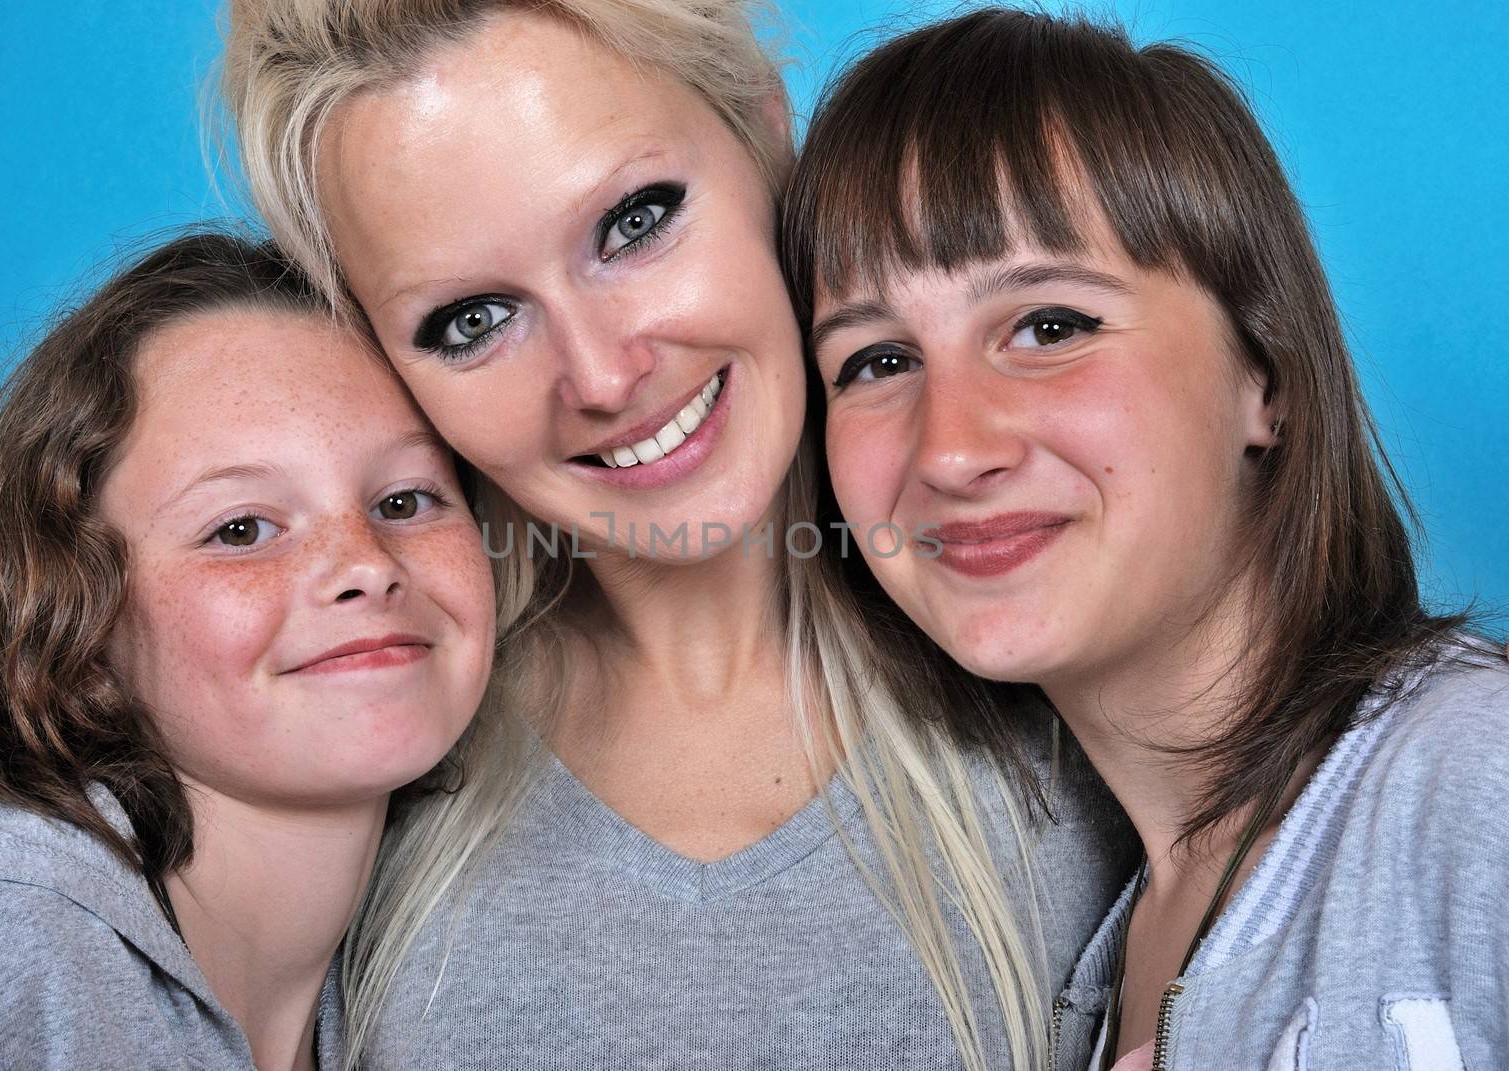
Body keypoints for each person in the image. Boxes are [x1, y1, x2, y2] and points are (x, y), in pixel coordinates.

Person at [222, 3, 1135, 1068]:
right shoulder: (336, 759)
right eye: (472, 320)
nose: (604, 376)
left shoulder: (1085, 661)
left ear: (762, 131)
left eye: (635, 222)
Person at [782, 8, 1509, 1070]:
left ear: (1264, 377)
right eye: (877, 361)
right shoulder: (1088, 964)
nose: (949, 451)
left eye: (1048, 326)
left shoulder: (1476, 783)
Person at [0, 231, 496, 1071]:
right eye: (242, 528)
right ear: (74, 624)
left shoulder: (437, 979)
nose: (366, 562)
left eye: (405, 499)